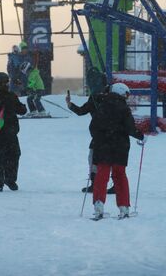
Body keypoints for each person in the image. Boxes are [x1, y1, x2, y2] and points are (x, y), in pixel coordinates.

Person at [90, 83, 145, 219]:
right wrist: (141, 135)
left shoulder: (102, 107)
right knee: (120, 176)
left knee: (101, 175)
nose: (127, 97)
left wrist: (98, 138)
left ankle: (98, 205)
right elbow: (130, 128)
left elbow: (93, 127)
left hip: (103, 146)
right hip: (120, 147)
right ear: (121, 93)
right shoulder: (124, 109)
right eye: (126, 94)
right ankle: (124, 207)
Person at [66, 67, 114, 193]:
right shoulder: (112, 96)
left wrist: (70, 105)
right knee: (114, 158)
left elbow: (82, 111)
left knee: (94, 158)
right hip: (114, 133)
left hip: (99, 134)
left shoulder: (94, 98)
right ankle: (116, 183)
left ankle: (95, 183)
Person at [0, 72, 27, 192]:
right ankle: (10, 179)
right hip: (10, 133)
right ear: (2, 83)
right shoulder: (11, 96)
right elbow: (22, 110)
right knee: (14, 155)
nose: (8, 84)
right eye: (6, 82)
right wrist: (20, 104)